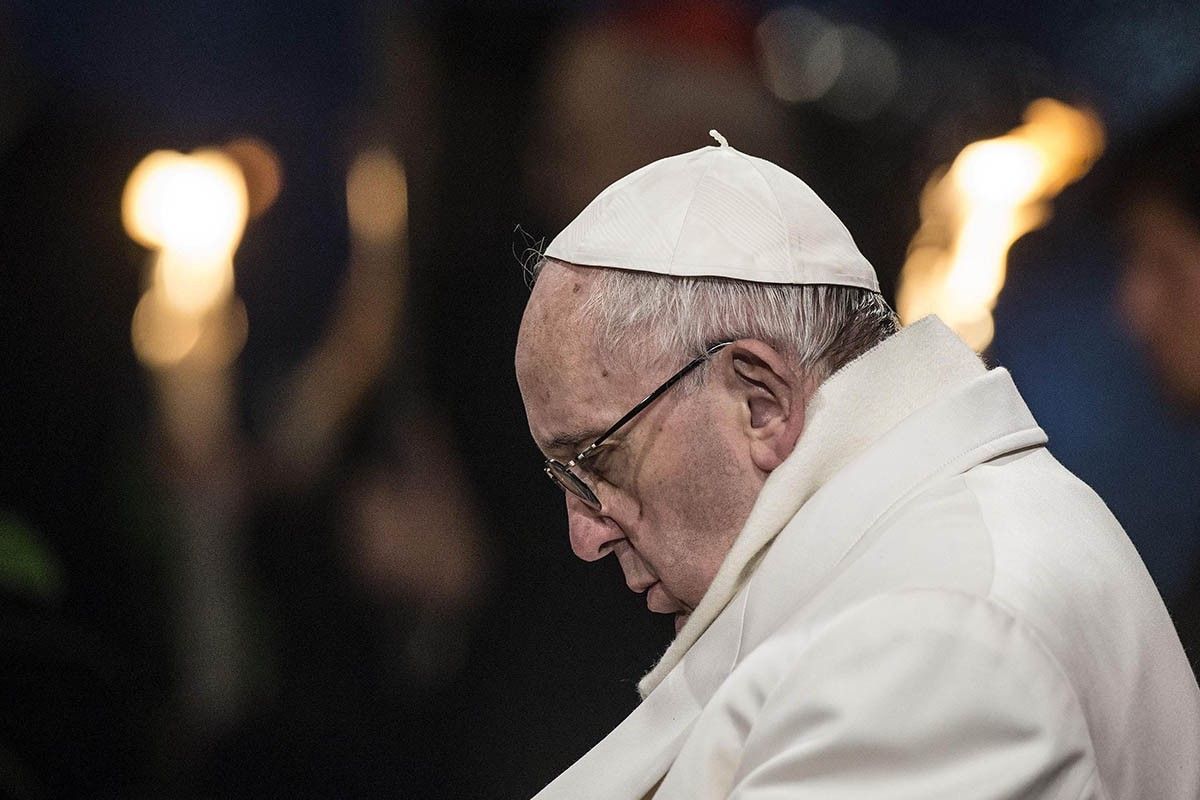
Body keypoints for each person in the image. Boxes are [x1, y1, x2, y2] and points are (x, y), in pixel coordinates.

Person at [514, 132, 1200, 799]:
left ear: (760, 402)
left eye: (598, 460)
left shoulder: (932, 637)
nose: (586, 535)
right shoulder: (913, 570)